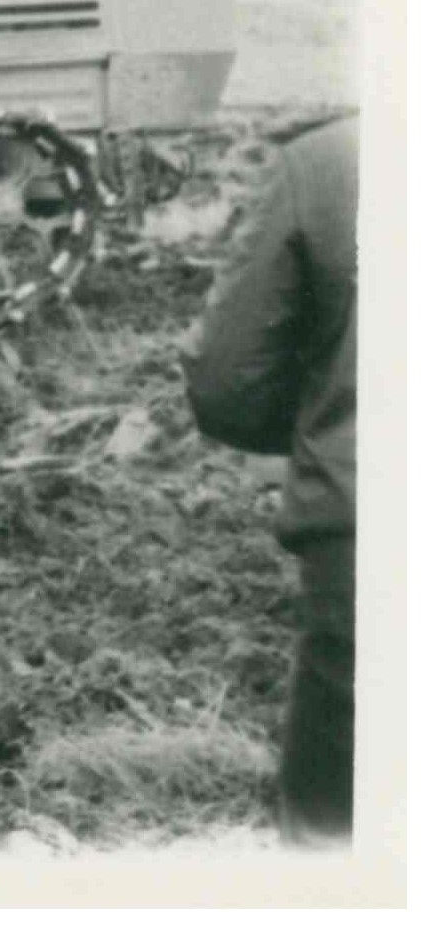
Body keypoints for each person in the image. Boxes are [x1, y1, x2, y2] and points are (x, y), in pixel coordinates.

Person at [184, 115, 359, 845]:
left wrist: (321, 422)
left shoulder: (325, 162)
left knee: (335, 833)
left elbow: (227, 382)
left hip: (370, 531)